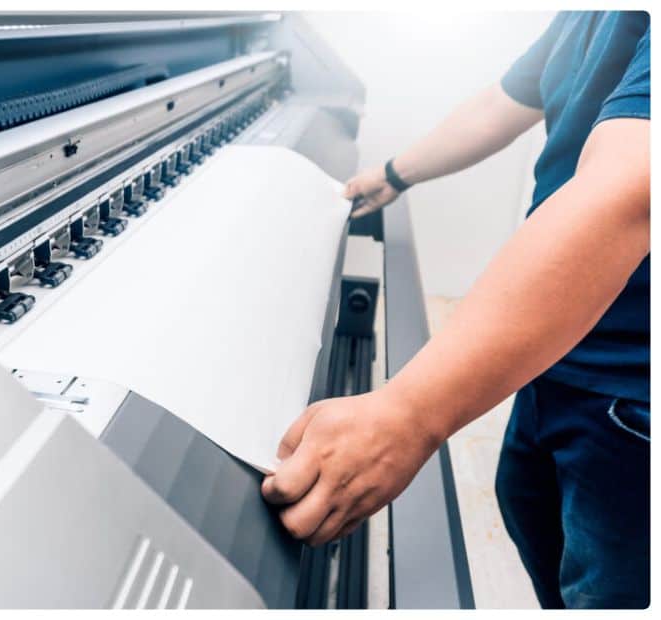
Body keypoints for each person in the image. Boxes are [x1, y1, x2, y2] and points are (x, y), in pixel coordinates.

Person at [261, 11, 650, 609]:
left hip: (631, 386)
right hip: (553, 351)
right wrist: (394, 174)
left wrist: (408, 414)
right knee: (531, 512)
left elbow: (633, 190)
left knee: (610, 587)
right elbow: (502, 102)